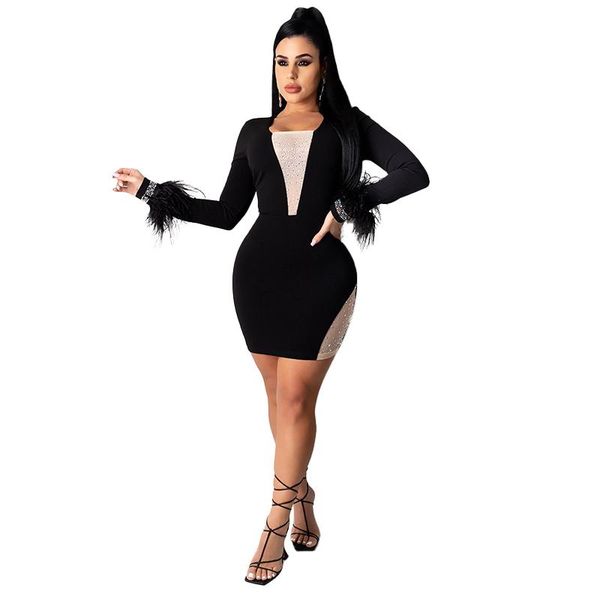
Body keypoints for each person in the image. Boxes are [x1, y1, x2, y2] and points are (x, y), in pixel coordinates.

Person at [112, 6, 429, 585]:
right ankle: (303, 496)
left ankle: (274, 521)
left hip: (323, 281)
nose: (291, 74)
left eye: (303, 62)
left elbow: (413, 171)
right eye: (282, 62)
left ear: (324, 66)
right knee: (278, 399)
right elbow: (227, 212)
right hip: (257, 280)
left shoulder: (349, 126)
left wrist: (346, 205)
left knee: (295, 400)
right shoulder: (253, 131)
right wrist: (151, 192)